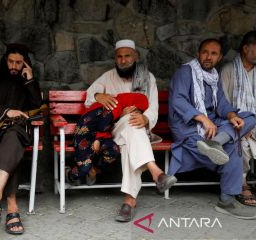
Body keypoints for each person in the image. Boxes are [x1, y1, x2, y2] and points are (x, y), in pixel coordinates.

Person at [85, 39, 177, 222]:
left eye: (127, 56)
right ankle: (155, 171)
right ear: (115, 58)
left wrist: (145, 117)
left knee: (131, 137)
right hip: (114, 128)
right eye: (119, 56)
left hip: (139, 130)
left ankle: (130, 200)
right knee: (128, 122)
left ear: (135, 57)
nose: (123, 60)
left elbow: (154, 107)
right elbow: (89, 98)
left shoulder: (147, 77)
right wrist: (99, 96)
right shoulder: (107, 77)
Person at [168, 38, 256, 219]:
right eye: (205, 52)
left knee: (250, 116)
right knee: (233, 146)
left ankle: (216, 142)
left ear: (220, 57)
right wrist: (203, 120)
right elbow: (178, 100)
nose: (208, 57)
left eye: (213, 53)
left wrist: (232, 116)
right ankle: (227, 200)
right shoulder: (185, 72)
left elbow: (222, 104)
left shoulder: (214, 76)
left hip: (214, 129)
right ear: (198, 54)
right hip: (189, 127)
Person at [0, 43, 42, 235]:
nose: (14, 66)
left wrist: (30, 80)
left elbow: (37, 108)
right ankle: (10, 207)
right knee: (11, 144)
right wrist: (8, 111)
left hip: (18, 131)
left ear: (25, 64)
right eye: (11, 62)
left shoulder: (28, 82)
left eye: (18, 63)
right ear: (5, 61)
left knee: (13, 139)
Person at [71, 93, 149, 186]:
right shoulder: (113, 105)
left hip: (99, 136)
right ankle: (70, 174)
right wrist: (98, 140)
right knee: (84, 168)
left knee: (113, 151)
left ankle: (94, 169)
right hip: (84, 135)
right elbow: (102, 126)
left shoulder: (119, 110)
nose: (135, 115)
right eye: (137, 112)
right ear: (132, 107)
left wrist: (99, 140)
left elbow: (107, 128)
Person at [221, 31, 256, 207]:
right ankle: (242, 183)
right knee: (239, 142)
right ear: (245, 48)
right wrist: (245, 124)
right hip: (235, 122)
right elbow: (224, 103)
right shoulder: (229, 70)